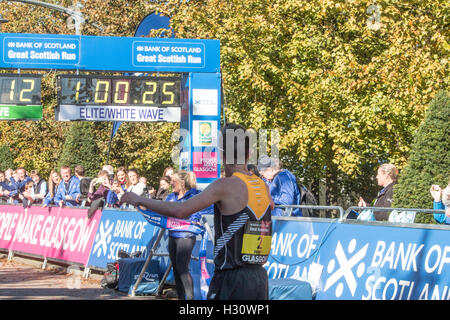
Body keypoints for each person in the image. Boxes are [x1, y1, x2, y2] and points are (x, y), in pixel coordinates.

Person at [120, 123, 274, 300]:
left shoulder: (225, 186)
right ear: (249, 154)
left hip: (231, 278)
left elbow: (181, 210)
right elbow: (271, 206)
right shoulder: (262, 185)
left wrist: (139, 199)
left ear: (221, 154)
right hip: (258, 278)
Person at [162, 170, 213, 300]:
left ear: (182, 183)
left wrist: (195, 216)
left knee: (182, 267)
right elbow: (163, 208)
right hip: (173, 234)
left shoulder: (195, 194)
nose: (171, 183)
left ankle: (189, 298)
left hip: (186, 234)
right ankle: (181, 297)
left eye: (174, 181)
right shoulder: (171, 196)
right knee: (176, 268)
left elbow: (209, 206)